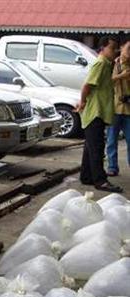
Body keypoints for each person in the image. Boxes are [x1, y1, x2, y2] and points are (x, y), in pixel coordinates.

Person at [78, 36, 122, 192]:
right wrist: (82, 102)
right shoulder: (101, 63)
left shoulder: (107, 64)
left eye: (117, 48)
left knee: (90, 146)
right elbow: (87, 85)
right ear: (102, 48)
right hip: (95, 112)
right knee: (96, 147)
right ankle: (100, 180)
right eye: (112, 48)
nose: (115, 51)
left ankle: (86, 176)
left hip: (98, 111)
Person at [106, 36, 130, 176]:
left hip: (128, 110)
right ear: (121, 48)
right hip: (114, 108)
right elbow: (106, 82)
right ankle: (112, 167)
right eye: (128, 48)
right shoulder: (111, 64)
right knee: (111, 140)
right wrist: (121, 76)